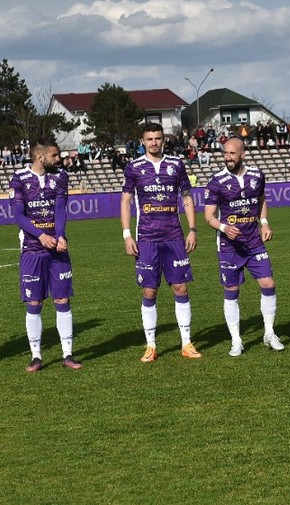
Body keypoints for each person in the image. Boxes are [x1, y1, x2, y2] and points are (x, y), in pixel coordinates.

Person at [120, 122, 201, 362]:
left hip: (174, 236)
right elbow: (125, 201)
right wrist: (126, 234)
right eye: (149, 139)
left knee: (181, 288)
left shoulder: (176, 164)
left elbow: (187, 198)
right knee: (149, 290)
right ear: (142, 141)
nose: (154, 142)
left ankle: (186, 343)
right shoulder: (134, 168)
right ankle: (151, 345)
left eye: (157, 138)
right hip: (146, 238)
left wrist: (193, 229)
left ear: (163, 140)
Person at [203, 137, 284, 356]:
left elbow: (261, 201)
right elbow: (208, 216)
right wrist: (223, 227)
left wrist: (264, 223)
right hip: (229, 246)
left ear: (242, 154)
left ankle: (269, 334)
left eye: (232, 153)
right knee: (232, 290)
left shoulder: (257, 176)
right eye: (225, 153)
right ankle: (236, 340)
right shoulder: (216, 181)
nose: (227, 157)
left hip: (254, 242)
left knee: (268, 283)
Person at [8, 138, 81, 372]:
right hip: (32, 249)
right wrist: (41, 236)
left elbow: (60, 208)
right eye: (55, 156)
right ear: (41, 158)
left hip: (57, 249)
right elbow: (19, 215)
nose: (59, 159)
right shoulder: (19, 179)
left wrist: (60, 236)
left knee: (62, 300)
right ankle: (36, 356)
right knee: (34, 301)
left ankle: (68, 354)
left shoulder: (60, 177)